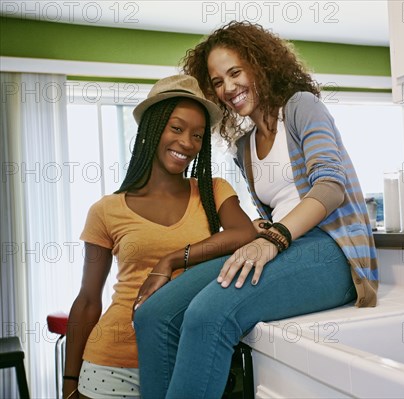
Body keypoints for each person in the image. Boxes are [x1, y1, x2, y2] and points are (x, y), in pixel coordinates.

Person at [134, 21, 379, 398]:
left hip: (332, 252)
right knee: (153, 315)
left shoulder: (301, 107)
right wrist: (267, 228)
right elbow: (280, 206)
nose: (228, 88)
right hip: (288, 248)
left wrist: (275, 238)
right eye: (217, 82)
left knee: (207, 315)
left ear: (261, 65)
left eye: (235, 72)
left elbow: (331, 187)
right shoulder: (244, 148)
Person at [62, 75, 256, 399]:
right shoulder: (106, 210)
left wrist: (172, 259)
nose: (187, 143)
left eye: (197, 135)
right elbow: (87, 300)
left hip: (184, 360)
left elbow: (245, 234)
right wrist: (69, 383)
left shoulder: (213, 191)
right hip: (112, 363)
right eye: (176, 128)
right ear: (153, 129)